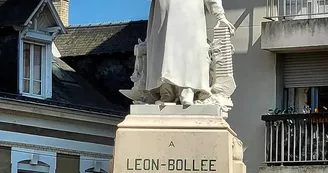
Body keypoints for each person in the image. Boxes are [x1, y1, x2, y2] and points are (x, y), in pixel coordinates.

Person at [145, 0, 235, 105]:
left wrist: (219, 15)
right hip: (163, 6)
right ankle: (167, 90)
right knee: (163, 47)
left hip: (189, 7)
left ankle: (187, 88)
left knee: (188, 46)